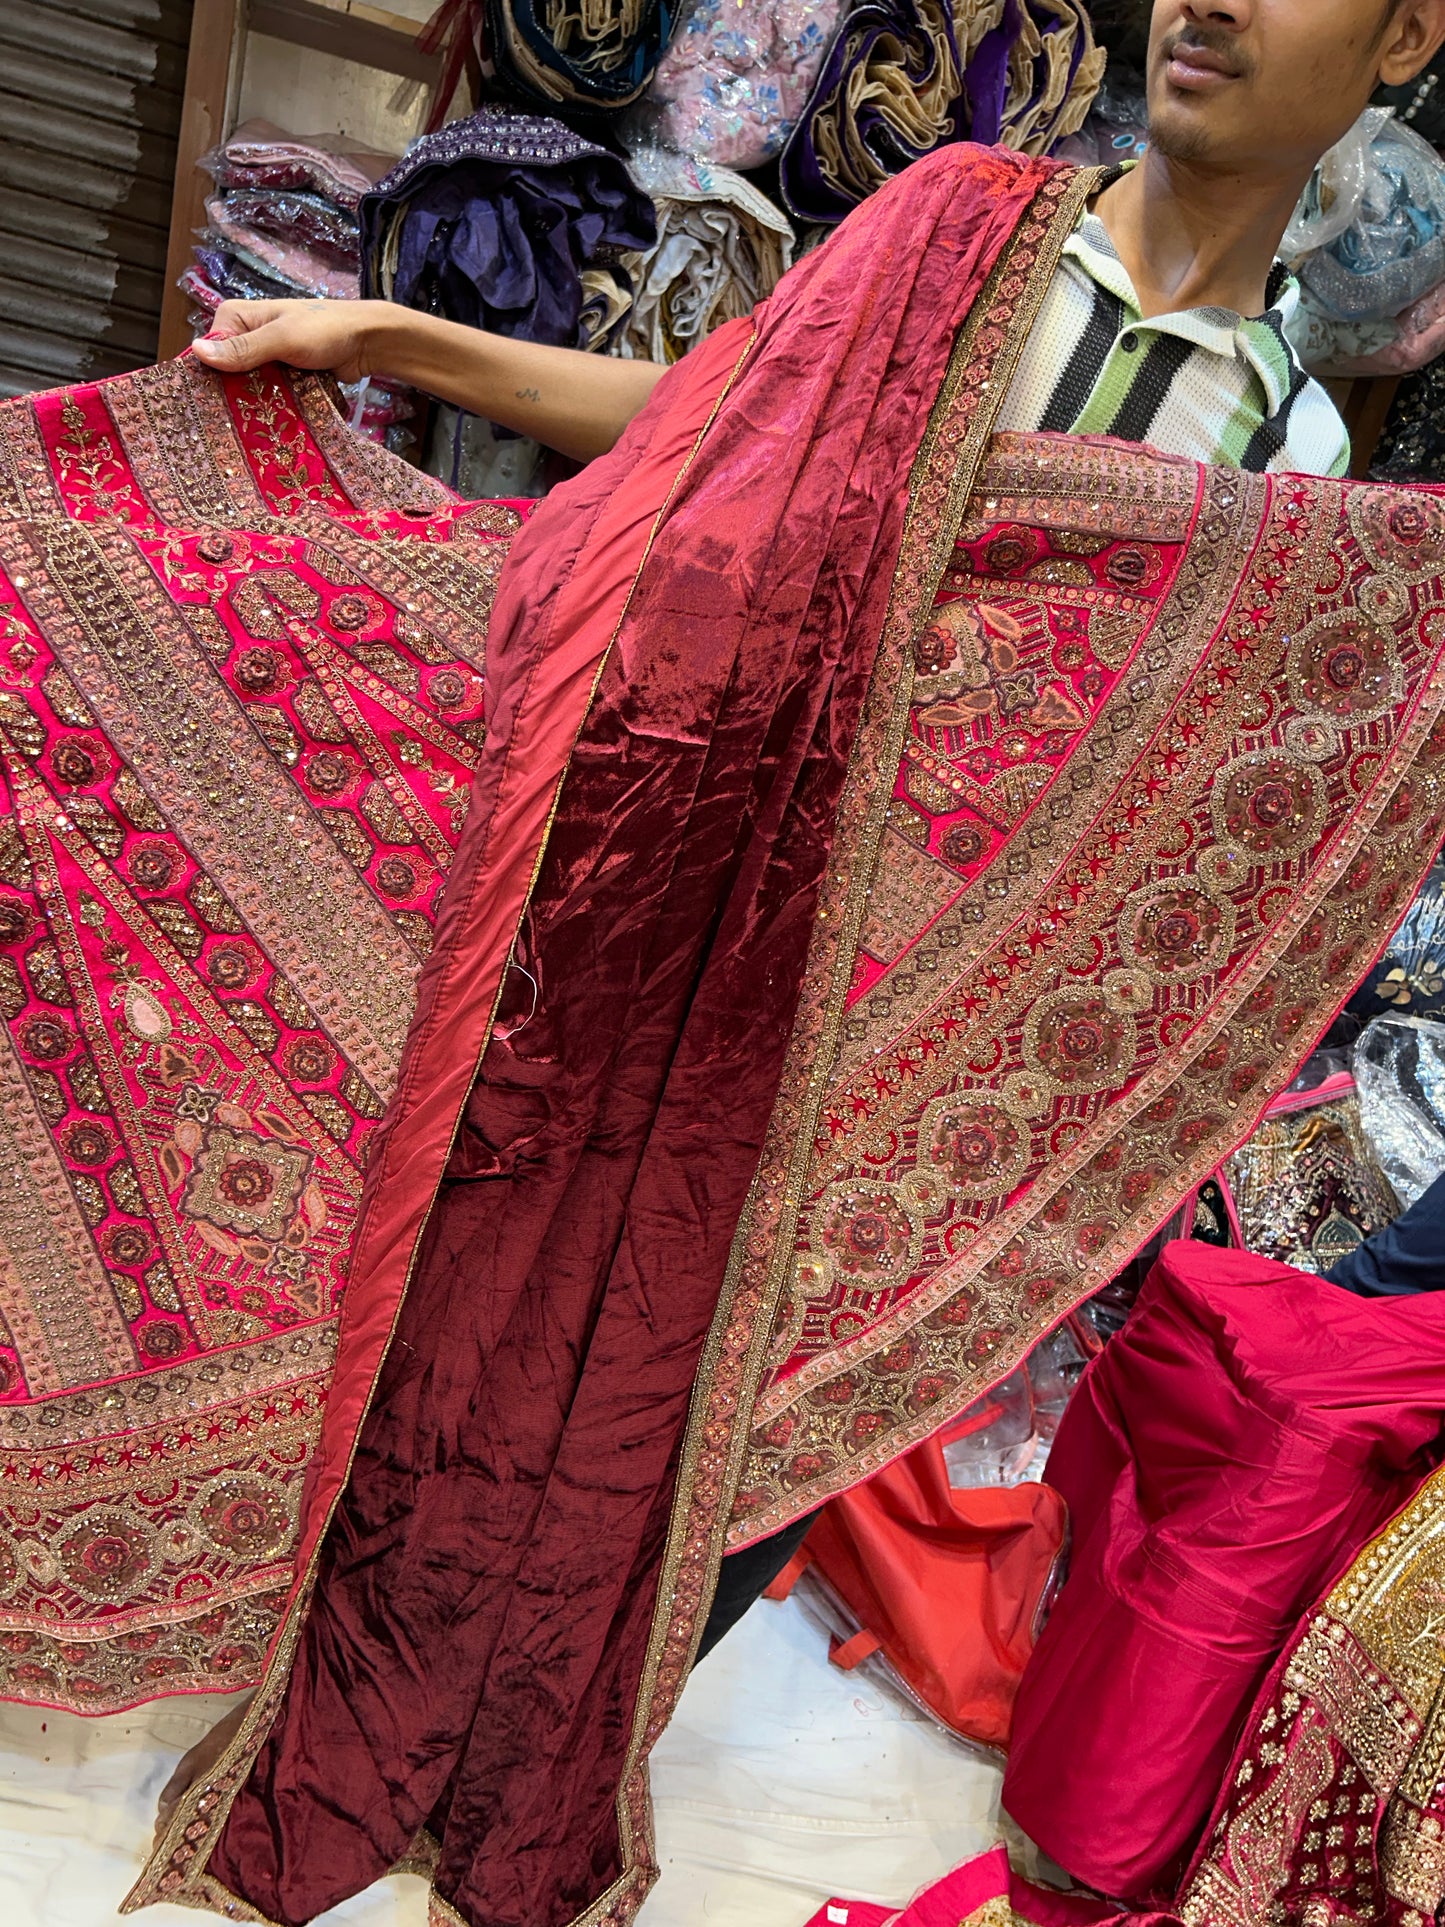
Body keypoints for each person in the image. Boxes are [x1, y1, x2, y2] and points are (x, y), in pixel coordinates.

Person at [95, 0, 1445, 1922]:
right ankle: (360, 1728)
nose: (1200, 0)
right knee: (476, 1354)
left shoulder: (1290, 459)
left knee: (723, 1453)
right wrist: (385, 335)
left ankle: (530, 1797)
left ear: (1406, 33)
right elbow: (706, 438)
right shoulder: (963, 226)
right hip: (673, 938)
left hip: (905, 1084)